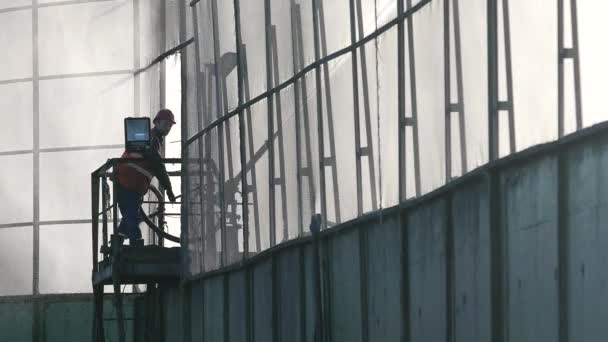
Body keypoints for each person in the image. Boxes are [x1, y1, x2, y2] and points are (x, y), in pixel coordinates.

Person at [115, 109, 177, 246]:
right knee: (132, 217)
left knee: (131, 217)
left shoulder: (149, 138)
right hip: (128, 183)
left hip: (130, 184)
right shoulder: (151, 139)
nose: (168, 128)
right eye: (166, 124)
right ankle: (137, 246)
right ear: (156, 122)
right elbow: (158, 166)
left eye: (170, 126)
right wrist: (169, 189)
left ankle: (117, 241)